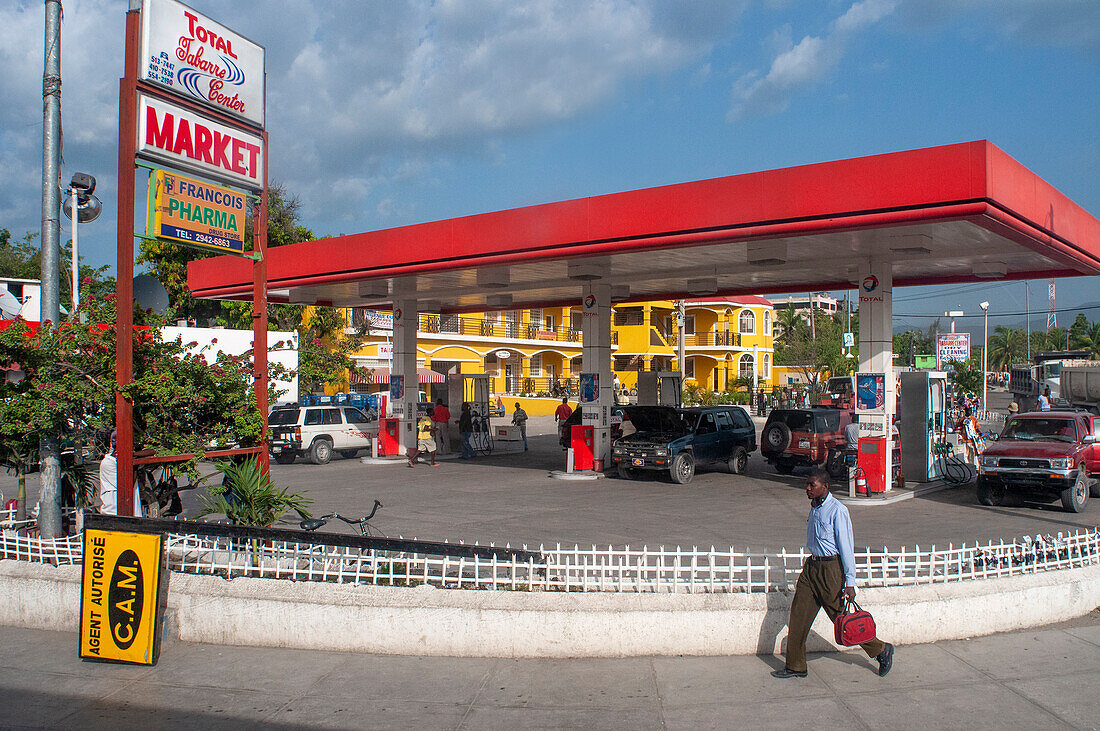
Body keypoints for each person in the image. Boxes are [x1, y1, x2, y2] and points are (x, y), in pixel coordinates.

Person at [773, 468, 894, 679]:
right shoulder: (815, 507)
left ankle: (881, 650)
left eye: (812, 485)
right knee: (798, 615)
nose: (807, 489)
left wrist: (850, 582)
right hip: (812, 568)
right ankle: (796, 666)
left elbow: (846, 547)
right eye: (808, 484)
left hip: (830, 570)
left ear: (825, 487)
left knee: (841, 619)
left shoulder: (838, 511)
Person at [99, 430, 142, 516]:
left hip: (131, 512)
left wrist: (133, 455)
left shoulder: (125, 459)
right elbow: (126, 485)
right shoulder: (108, 463)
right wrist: (134, 466)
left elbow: (153, 452)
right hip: (114, 512)